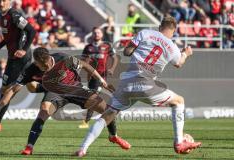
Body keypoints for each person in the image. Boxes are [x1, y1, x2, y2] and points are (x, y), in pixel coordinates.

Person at [75, 16, 202, 157]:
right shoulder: (172, 47)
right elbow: (179, 63)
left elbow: (127, 52)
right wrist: (186, 53)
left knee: (106, 116)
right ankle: (179, 142)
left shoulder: (146, 33)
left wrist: (141, 51)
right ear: (173, 31)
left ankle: (83, 149)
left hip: (126, 84)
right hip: (145, 84)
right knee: (179, 101)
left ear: (160, 27)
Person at [0, 47, 131, 155]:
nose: (45, 68)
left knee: (107, 110)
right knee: (43, 111)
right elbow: (12, 90)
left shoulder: (63, 58)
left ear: (49, 59)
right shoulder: (31, 69)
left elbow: (86, 66)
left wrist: (103, 82)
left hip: (75, 88)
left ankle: (113, 136)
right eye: (42, 66)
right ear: (37, 62)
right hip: (56, 93)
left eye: (46, 65)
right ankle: (29, 147)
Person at [0, 0, 36, 132]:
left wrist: (24, 49)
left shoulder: (14, 15)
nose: (1, 4)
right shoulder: (2, 16)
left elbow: (31, 31)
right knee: (28, 87)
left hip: (21, 58)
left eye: (4, 1)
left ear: (9, 2)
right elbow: (8, 38)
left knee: (7, 90)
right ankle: (46, 86)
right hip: (12, 57)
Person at [79, 27, 118, 129]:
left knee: (93, 98)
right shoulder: (88, 47)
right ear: (92, 34)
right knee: (94, 98)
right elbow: (83, 62)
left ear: (102, 34)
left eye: (98, 32)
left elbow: (115, 57)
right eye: (94, 32)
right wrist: (86, 69)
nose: (96, 34)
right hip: (92, 76)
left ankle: (86, 121)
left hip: (103, 75)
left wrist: (112, 69)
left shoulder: (107, 45)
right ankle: (111, 112)